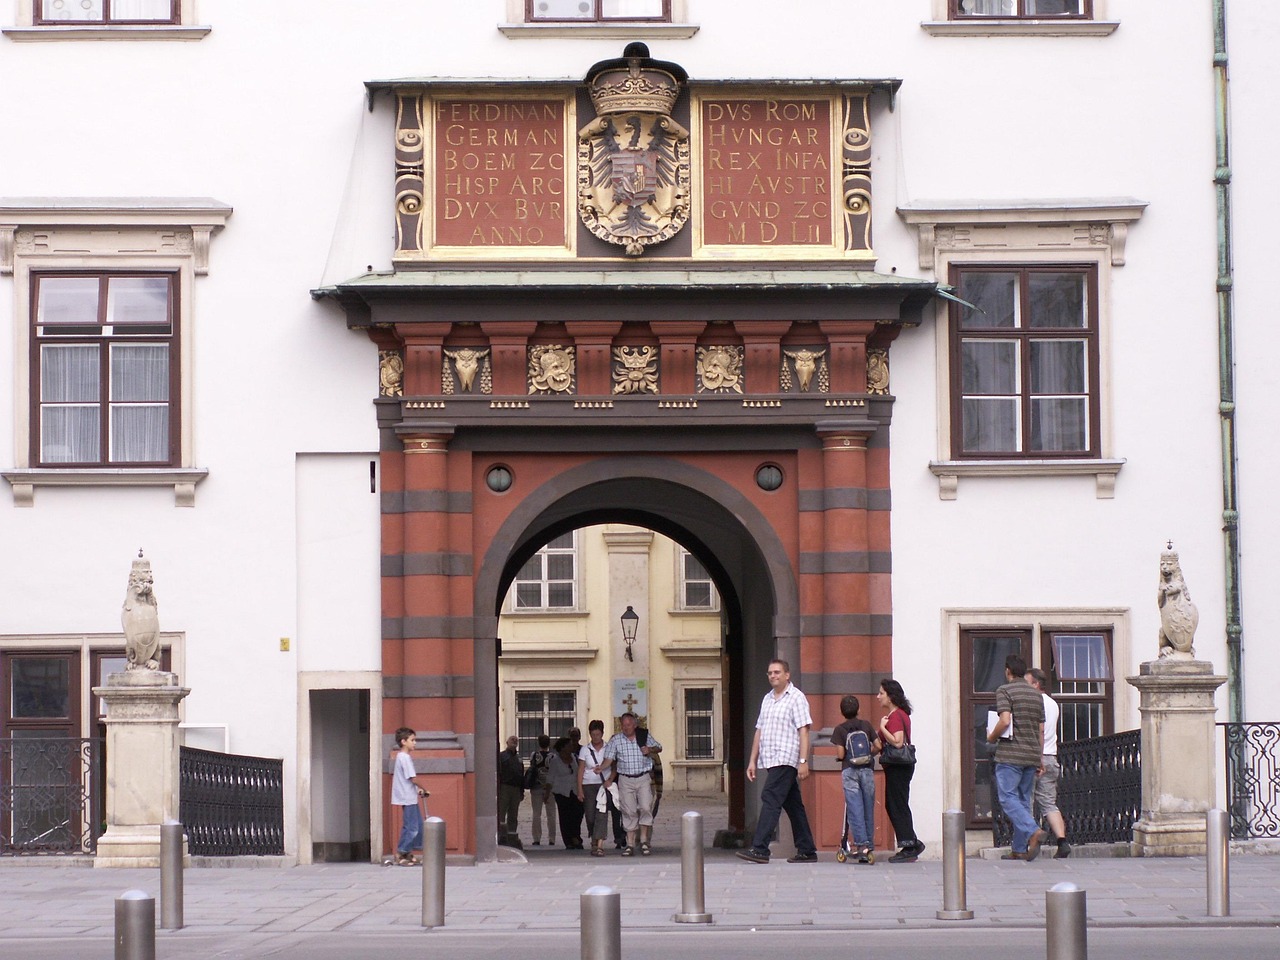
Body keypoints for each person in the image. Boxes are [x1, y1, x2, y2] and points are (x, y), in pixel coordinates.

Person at [737, 658, 818, 864]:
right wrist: (752, 760)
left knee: (770, 797)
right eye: (770, 673)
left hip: (786, 757)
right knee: (793, 805)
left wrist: (803, 761)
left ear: (787, 675)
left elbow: (804, 731)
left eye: (777, 672)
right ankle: (807, 849)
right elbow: (759, 730)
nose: (773, 676)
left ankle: (760, 848)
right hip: (770, 758)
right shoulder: (767, 699)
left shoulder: (796, 697)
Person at [986, 654, 1047, 861]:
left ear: (1008, 671)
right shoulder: (1036, 695)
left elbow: (1004, 720)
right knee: (1022, 800)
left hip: (1010, 754)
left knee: (1007, 797)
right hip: (1031, 754)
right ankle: (1019, 848)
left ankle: (1033, 831)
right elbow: (1040, 729)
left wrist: (991, 737)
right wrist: (1039, 758)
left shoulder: (1005, 690)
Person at [601, 712, 662, 856]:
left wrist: (649, 749)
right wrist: (601, 768)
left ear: (634, 725)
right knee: (628, 811)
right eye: (623, 725)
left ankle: (644, 841)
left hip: (643, 777)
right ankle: (630, 844)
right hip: (625, 779)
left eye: (628, 725)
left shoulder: (644, 736)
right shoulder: (616, 740)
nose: (625, 727)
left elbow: (659, 747)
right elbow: (609, 759)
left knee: (645, 807)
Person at [1026, 667, 1071, 858]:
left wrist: (1037, 758)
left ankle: (1030, 842)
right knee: (1049, 804)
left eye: (1027, 683)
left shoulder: (1034, 702)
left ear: (1036, 684)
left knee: (1026, 802)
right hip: (1052, 756)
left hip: (1036, 756)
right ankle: (1062, 841)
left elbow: (1040, 730)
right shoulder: (1053, 704)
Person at [877, 679, 923, 863]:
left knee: (896, 804)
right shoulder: (900, 714)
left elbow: (897, 742)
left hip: (898, 766)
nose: (878, 696)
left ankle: (909, 845)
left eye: (881, 693)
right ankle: (911, 841)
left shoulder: (895, 716)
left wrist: (882, 727)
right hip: (900, 766)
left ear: (890, 696)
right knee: (896, 803)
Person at [831, 694, 879, 864]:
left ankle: (861, 846)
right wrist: (868, 754)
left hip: (849, 770)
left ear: (842, 712)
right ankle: (869, 846)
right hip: (867, 770)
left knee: (855, 807)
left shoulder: (840, 729)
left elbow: (840, 754)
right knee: (868, 807)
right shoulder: (866, 725)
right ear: (859, 710)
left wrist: (843, 757)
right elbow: (878, 745)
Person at [576, 719, 614, 857]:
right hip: (588, 785)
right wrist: (580, 789)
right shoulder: (585, 750)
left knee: (602, 814)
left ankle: (599, 845)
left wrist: (610, 780)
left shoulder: (609, 748)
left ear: (602, 733)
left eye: (598, 734)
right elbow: (581, 769)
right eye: (593, 735)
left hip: (603, 785)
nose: (595, 737)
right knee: (590, 816)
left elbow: (614, 767)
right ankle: (594, 838)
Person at [392, 726, 429, 866]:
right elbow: (413, 778)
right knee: (412, 827)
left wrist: (417, 790)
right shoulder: (404, 758)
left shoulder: (401, 757)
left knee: (417, 825)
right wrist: (424, 788)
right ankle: (401, 853)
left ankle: (407, 853)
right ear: (403, 742)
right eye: (412, 740)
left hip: (409, 796)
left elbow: (407, 779)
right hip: (407, 797)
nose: (415, 743)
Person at [547, 736, 584, 849]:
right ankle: (569, 841)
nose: (572, 746)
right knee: (565, 817)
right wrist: (547, 792)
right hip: (561, 792)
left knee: (577, 814)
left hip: (574, 790)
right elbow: (550, 777)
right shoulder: (555, 760)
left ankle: (576, 836)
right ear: (563, 747)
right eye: (569, 745)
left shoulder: (574, 757)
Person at [527, 734, 556, 847]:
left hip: (536, 786)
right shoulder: (553, 756)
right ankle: (552, 838)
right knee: (551, 814)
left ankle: (536, 838)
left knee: (536, 814)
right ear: (549, 744)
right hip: (550, 787)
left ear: (539, 743)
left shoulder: (534, 755)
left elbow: (532, 768)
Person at [497, 735, 524, 847]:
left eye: (516, 740)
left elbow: (521, 774)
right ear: (506, 742)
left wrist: (521, 790)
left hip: (516, 788)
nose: (514, 741)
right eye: (512, 739)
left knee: (513, 814)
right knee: (501, 813)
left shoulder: (519, 758)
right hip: (505, 787)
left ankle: (512, 835)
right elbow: (498, 772)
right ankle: (501, 836)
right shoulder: (501, 756)